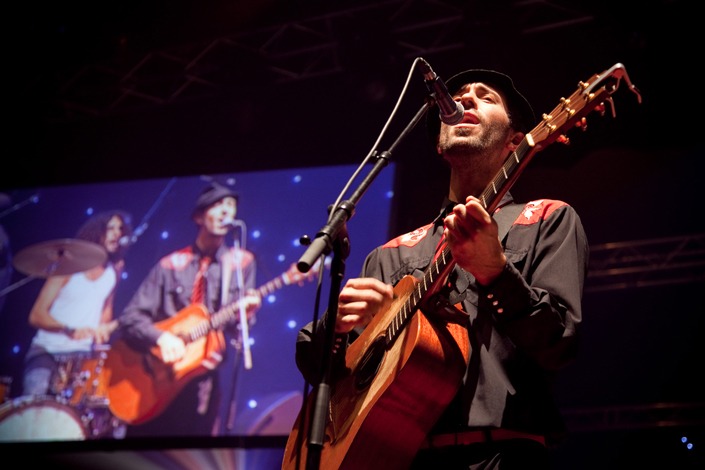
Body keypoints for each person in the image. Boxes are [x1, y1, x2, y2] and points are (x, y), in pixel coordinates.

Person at [293, 69, 589, 468]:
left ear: (517, 140)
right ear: (438, 144)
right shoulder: (392, 253)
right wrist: (339, 325)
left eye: (485, 97)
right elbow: (319, 366)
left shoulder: (546, 219)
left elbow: (560, 344)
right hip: (395, 458)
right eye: (459, 95)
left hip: (500, 456)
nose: (465, 99)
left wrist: (495, 272)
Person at [117, 181, 262, 437]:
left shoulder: (240, 264)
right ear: (199, 216)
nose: (226, 213)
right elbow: (130, 318)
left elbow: (238, 328)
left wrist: (247, 314)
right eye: (218, 206)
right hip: (154, 377)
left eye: (231, 207)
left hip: (202, 379)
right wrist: (161, 337)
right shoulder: (171, 264)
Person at [22, 210, 133, 398]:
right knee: (36, 405)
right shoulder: (68, 267)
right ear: (97, 232)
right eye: (111, 228)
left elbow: (105, 315)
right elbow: (36, 315)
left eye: (120, 229)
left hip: (82, 356)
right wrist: (68, 329)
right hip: (46, 351)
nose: (117, 233)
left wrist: (104, 329)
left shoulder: (113, 273)